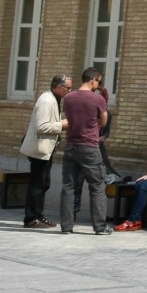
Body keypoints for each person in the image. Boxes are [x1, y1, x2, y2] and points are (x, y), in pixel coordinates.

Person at [57, 67, 112, 235]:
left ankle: (66, 227)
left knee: (69, 187)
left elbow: (69, 118)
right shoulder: (97, 99)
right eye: (98, 81)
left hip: (71, 146)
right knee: (97, 186)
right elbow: (103, 121)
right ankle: (100, 227)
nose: (98, 84)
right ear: (93, 80)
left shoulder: (68, 98)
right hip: (89, 147)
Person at [18, 73, 71, 229]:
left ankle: (38, 216)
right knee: (37, 184)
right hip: (39, 148)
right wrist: (62, 125)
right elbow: (42, 126)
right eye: (67, 87)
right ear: (59, 87)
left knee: (43, 183)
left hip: (47, 148)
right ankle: (30, 218)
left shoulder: (54, 98)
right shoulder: (47, 101)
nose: (69, 90)